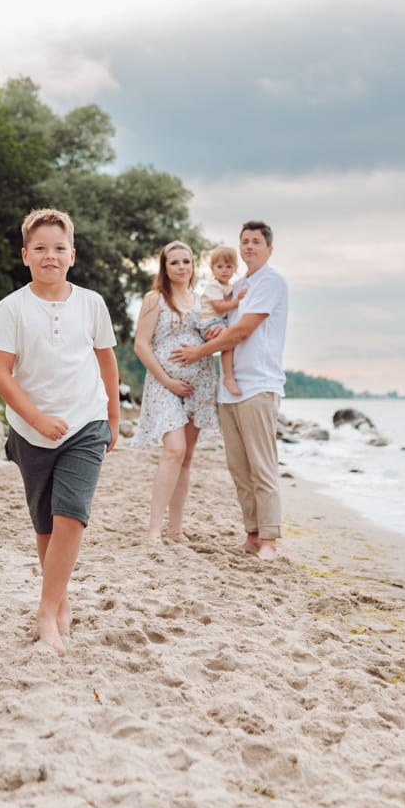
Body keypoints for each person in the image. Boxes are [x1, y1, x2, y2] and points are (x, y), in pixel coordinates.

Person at [0, 208, 119, 657]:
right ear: (25, 255)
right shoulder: (12, 307)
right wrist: (37, 418)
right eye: (40, 248)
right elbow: (0, 373)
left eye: (59, 248)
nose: (50, 256)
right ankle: (59, 598)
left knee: (71, 514)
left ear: (72, 255)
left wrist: (112, 418)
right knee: (45, 525)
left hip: (86, 422)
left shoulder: (92, 304)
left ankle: (45, 612)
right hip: (30, 430)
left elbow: (106, 362)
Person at [171, 221, 288, 561]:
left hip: (259, 385)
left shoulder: (271, 282)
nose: (249, 246)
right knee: (239, 467)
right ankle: (251, 535)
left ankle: (269, 540)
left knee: (262, 466)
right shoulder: (238, 285)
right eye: (245, 242)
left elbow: (241, 332)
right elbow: (219, 324)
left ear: (268, 248)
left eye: (255, 241)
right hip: (230, 389)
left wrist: (197, 353)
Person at [132, 240, 219, 543]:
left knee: (187, 457)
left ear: (194, 265)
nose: (182, 267)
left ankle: (176, 529)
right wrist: (168, 381)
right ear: (165, 268)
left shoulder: (202, 301)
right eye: (175, 262)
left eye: (187, 261)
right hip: (164, 384)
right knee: (174, 449)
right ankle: (154, 529)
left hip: (200, 385)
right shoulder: (155, 299)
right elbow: (141, 345)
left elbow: (213, 336)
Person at [198, 244, 247, 397]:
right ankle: (228, 377)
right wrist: (237, 301)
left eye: (228, 266)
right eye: (219, 266)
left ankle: (229, 376)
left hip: (219, 321)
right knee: (228, 340)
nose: (224, 270)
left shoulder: (230, 286)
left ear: (235, 268)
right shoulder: (213, 286)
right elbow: (219, 307)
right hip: (209, 322)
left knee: (232, 340)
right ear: (212, 269)